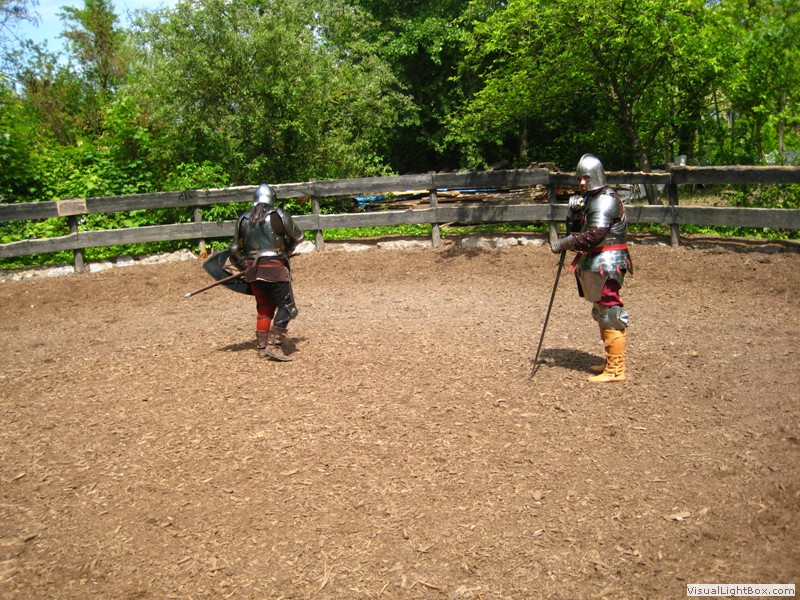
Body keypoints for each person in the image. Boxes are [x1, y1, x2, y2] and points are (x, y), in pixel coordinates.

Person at [550, 154, 633, 382]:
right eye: (580, 178)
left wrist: (564, 243)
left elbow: (594, 235)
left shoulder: (606, 200)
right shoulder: (591, 199)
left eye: (586, 177)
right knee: (601, 310)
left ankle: (616, 369)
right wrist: (574, 213)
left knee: (610, 312)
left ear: (596, 175)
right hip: (597, 261)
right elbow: (576, 228)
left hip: (608, 262)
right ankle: (611, 361)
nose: (582, 182)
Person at [229, 184, 305, 361]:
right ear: (272, 198)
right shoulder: (278, 215)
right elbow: (299, 237)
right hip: (274, 268)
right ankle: (274, 346)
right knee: (288, 308)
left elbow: (234, 249)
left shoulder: (243, 219)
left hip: (253, 271)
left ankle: (262, 348)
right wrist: (287, 250)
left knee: (264, 308)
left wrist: (245, 265)